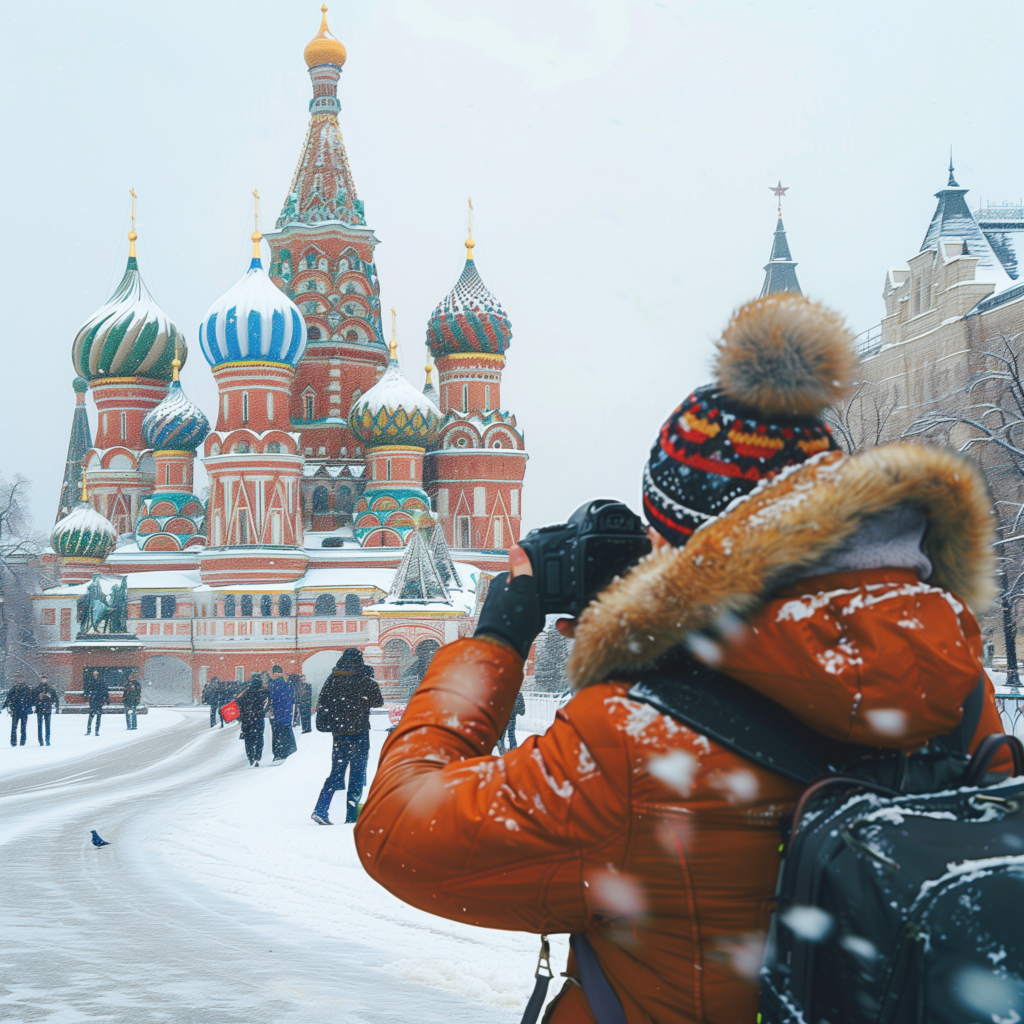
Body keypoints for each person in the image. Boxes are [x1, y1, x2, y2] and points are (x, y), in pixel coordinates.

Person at [354, 293, 1012, 1024]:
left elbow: (399, 832)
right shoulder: (952, 682)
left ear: (691, 557)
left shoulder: (636, 742)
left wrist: (497, 641)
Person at [312, 648, 382, 825]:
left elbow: (324, 702)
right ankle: (352, 816)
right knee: (357, 773)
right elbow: (378, 701)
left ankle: (321, 808)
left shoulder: (333, 679)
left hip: (340, 733)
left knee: (337, 771)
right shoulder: (364, 680)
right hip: (359, 732)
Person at [236, 674, 268, 767]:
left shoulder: (246, 692)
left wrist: (241, 715)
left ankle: (250, 757)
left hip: (247, 719)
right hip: (258, 719)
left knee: (248, 739)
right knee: (259, 737)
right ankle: (258, 756)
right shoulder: (263, 692)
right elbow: (268, 702)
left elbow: (238, 701)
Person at [267, 665, 297, 763]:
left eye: (273, 673)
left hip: (278, 712)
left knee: (277, 734)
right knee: (287, 731)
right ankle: (290, 750)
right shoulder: (287, 683)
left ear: (277, 673)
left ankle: (279, 754)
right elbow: (292, 698)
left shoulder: (275, 683)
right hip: (286, 712)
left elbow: (273, 696)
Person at [3, 675, 33, 747]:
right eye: (18, 678)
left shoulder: (26, 688)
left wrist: (28, 707)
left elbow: (30, 699)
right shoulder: (14, 688)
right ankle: (13, 742)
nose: (20, 680)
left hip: (23, 711)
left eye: (21, 678)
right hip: (16, 710)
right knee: (14, 727)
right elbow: (9, 697)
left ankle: (22, 742)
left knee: (23, 728)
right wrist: (6, 705)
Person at [495, 688, 526, 754]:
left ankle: (502, 751)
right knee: (511, 735)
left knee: (501, 736)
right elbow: (522, 712)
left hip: (502, 719)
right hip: (512, 719)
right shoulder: (518, 695)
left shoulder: (503, 695)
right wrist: (515, 710)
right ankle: (513, 751)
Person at [34, 676, 58, 746]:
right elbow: (33, 698)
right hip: (39, 708)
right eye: (42, 679)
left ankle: (47, 739)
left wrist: (49, 698)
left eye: (45, 679)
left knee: (47, 725)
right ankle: (40, 740)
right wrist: (39, 699)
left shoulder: (50, 689)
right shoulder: (37, 689)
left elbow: (55, 698)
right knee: (39, 725)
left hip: (47, 708)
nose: (43, 680)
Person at [85, 669, 108, 736]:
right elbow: (87, 689)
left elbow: (105, 691)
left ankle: (96, 730)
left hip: (98, 700)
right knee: (92, 716)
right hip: (94, 700)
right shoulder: (92, 681)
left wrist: (106, 698)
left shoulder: (100, 682)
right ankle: (89, 730)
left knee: (97, 716)